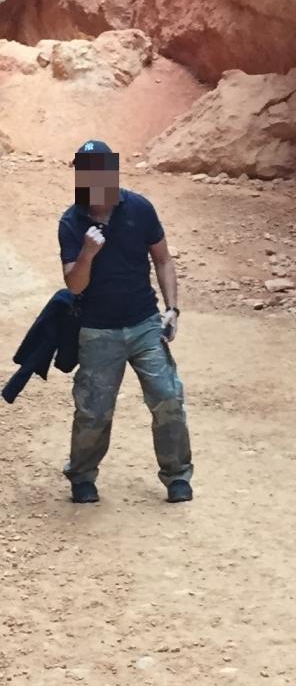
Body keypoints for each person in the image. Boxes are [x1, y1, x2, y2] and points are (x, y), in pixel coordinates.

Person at [58, 139, 194, 504]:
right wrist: (88, 253)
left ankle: (177, 475)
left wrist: (172, 309)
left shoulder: (139, 208)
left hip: (144, 323)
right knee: (94, 409)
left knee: (167, 397)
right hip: (97, 330)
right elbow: (75, 285)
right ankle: (82, 477)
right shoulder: (71, 222)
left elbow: (163, 259)